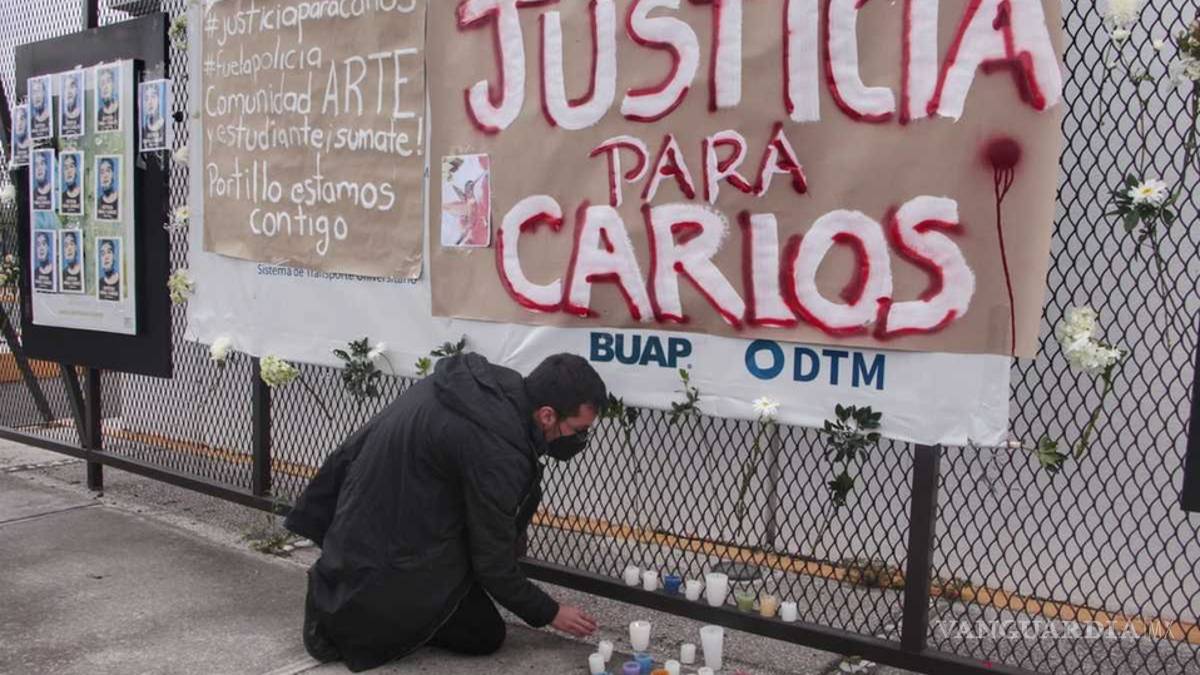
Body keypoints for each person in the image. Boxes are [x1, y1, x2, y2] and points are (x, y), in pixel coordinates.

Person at [285, 352, 605, 672]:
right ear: (547, 415)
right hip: (383, 564)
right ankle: (355, 621)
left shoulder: (471, 389)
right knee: (484, 634)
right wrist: (550, 612)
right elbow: (492, 562)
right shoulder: (498, 449)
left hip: (354, 537)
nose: (580, 440)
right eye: (578, 430)